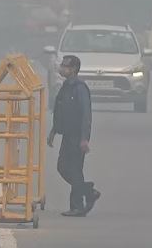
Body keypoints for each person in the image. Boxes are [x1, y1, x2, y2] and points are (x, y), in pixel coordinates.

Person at [48, 54, 100, 217]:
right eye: (62, 65)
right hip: (67, 135)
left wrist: (84, 139)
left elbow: (86, 115)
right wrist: (53, 131)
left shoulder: (80, 88)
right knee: (62, 167)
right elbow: (60, 111)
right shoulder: (66, 86)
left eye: (65, 66)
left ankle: (77, 206)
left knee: (75, 170)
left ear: (74, 69)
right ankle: (88, 191)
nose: (62, 68)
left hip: (77, 136)